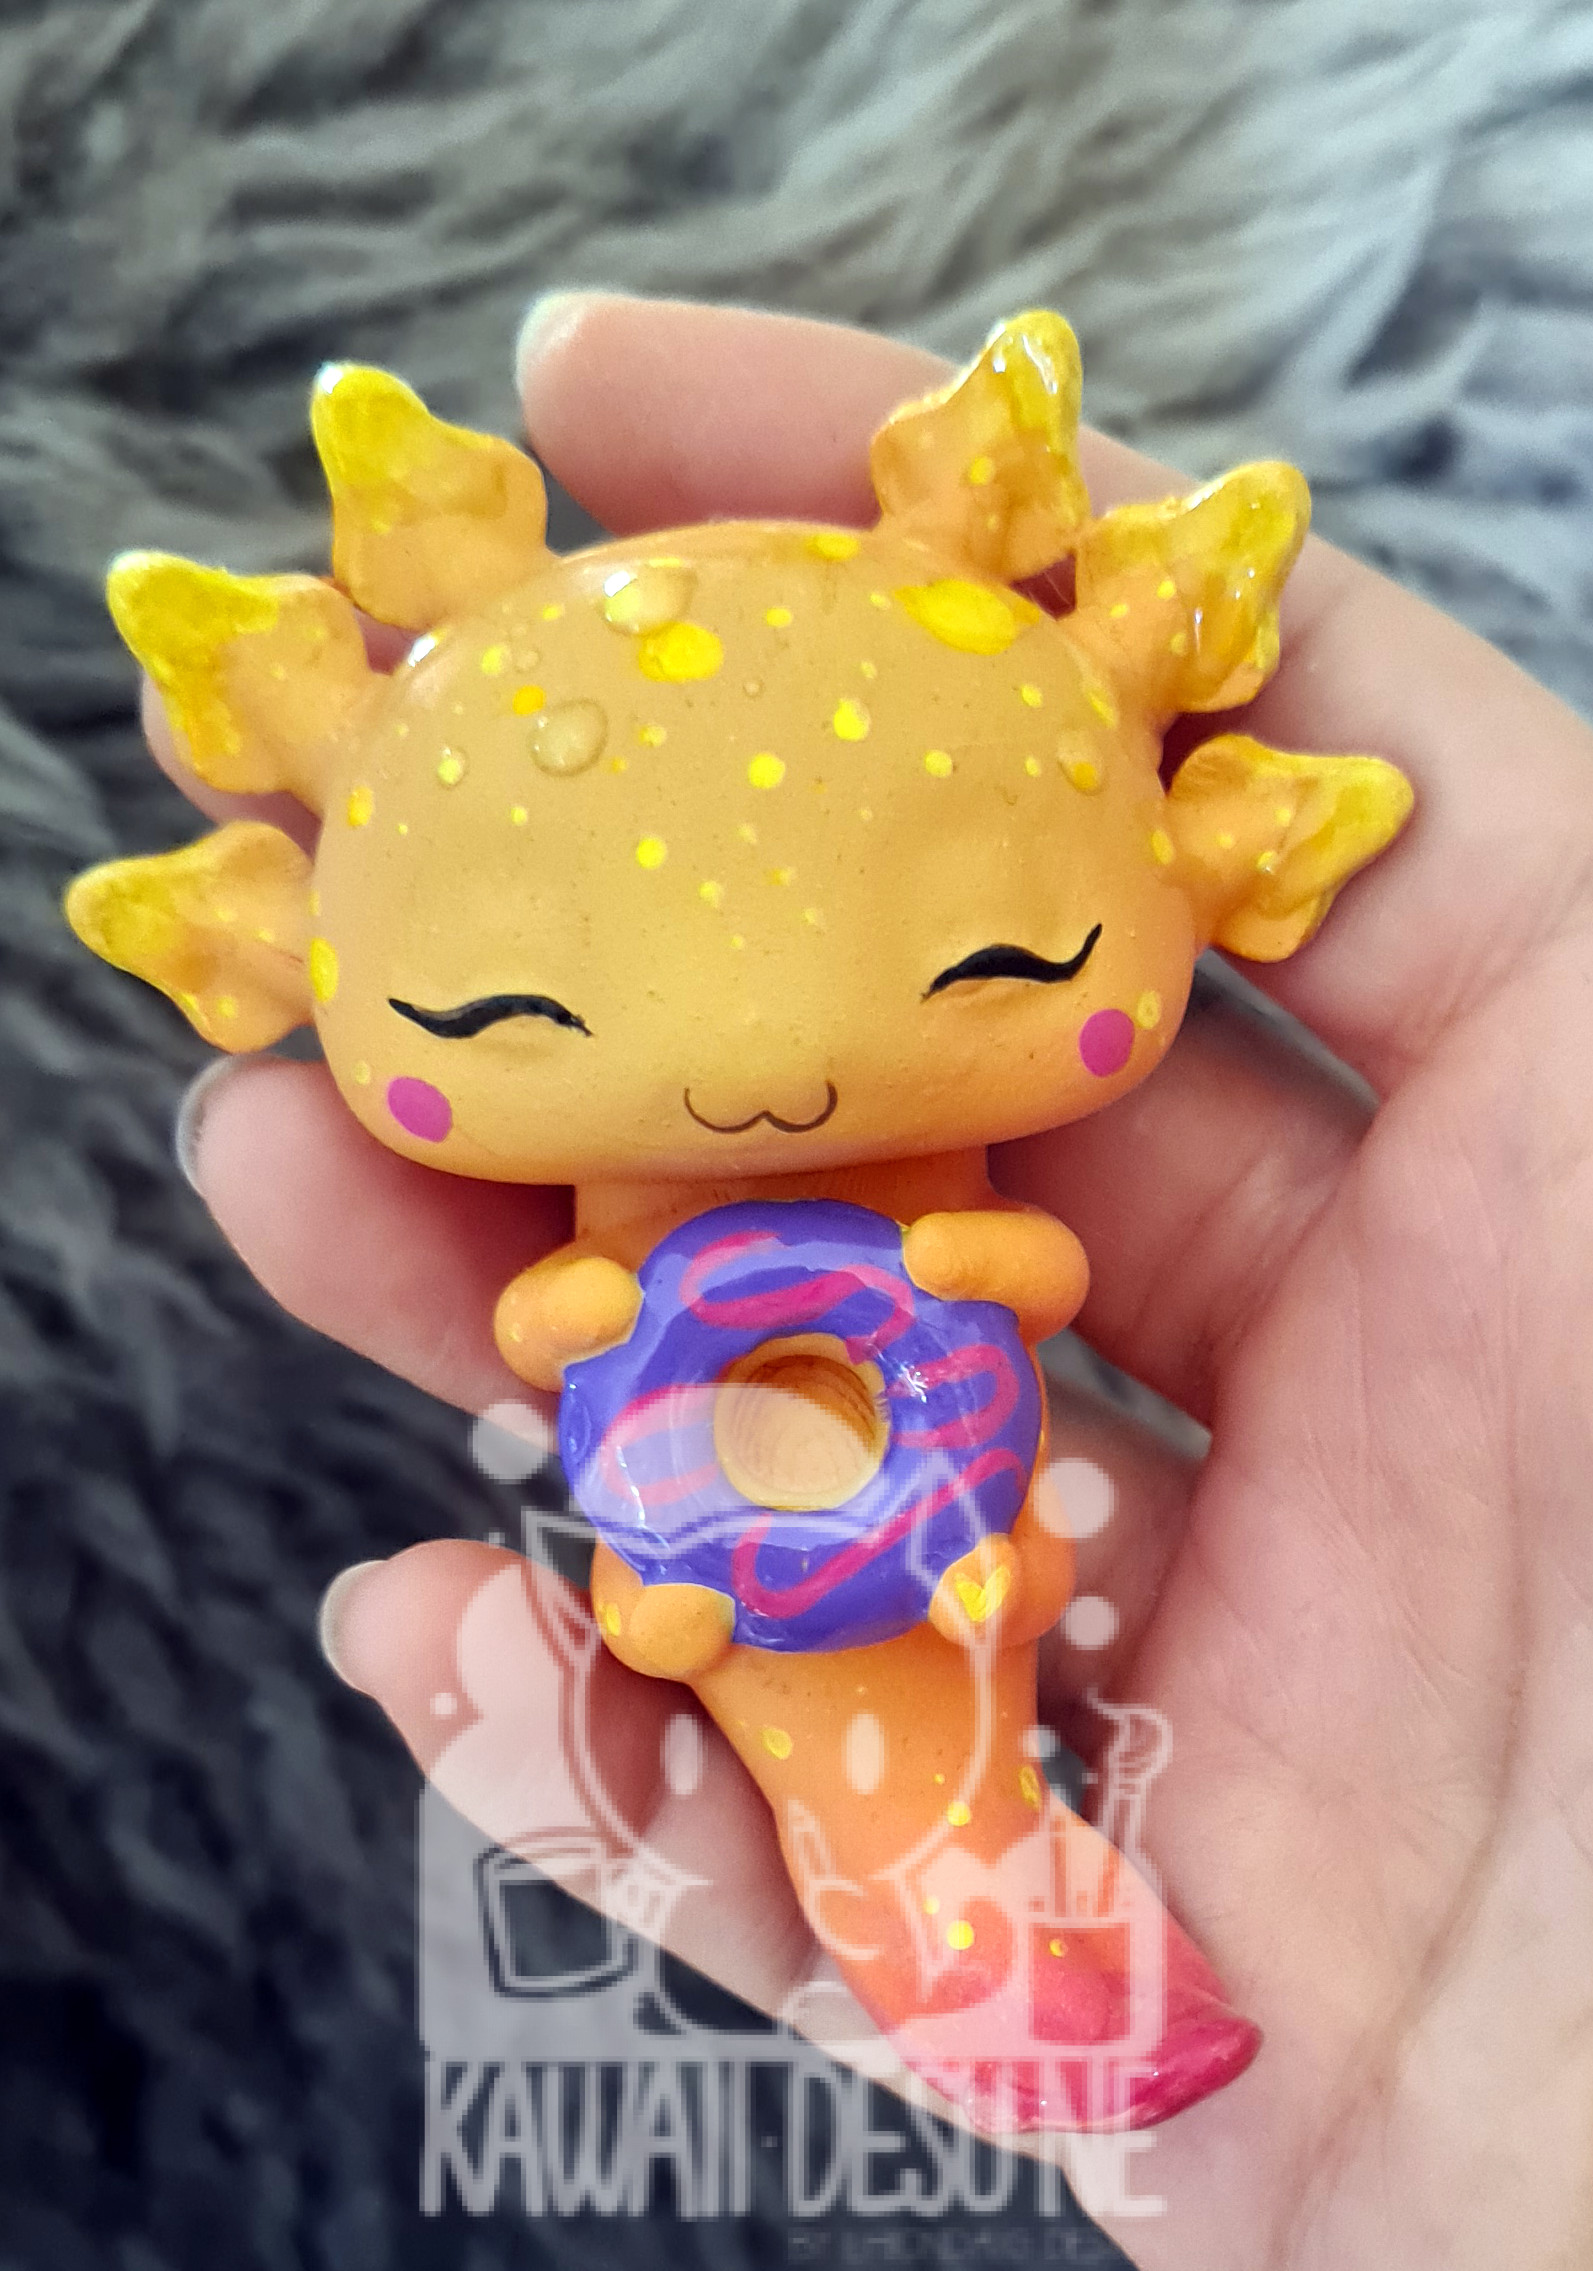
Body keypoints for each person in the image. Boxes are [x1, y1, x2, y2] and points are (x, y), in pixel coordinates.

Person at [156, 293, 1593, 2270]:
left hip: (939, 1529)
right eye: (510, 1006)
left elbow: (1015, 1270)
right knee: (860, 1764)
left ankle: (1002, 1937)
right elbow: (565, 1325)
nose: (763, 1062)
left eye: (992, 963)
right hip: (747, 1550)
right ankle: (994, 1937)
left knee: (931, 1746)